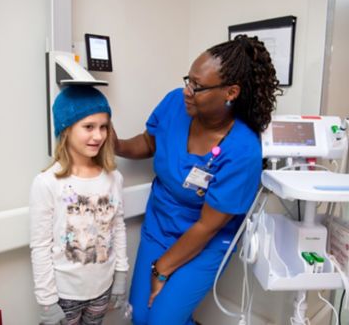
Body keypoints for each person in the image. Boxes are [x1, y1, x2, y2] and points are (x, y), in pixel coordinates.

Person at [114, 34, 281, 325]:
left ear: (231, 92)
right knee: (140, 316)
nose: (187, 91)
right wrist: (115, 146)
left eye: (198, 86)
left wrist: (161, 270)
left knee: (161, 322)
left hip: (208, 239)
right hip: (160, 225)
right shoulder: (174, 104)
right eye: (187, 80)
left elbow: (207, 226)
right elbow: (148, 142)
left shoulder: (242, 149)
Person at [29, 86, 129, 325]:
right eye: (88, 127)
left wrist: (121, 274)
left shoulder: (113, 178)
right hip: (64, 295)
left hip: (102, 289)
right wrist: (46, 301)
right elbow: (40, 246)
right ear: (66, 129)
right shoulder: (48, 183)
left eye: (103, 127)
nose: (99, 136)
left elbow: (118, 227)